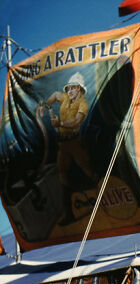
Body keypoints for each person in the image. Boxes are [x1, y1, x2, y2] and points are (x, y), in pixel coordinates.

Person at [41, 72, 98, 225]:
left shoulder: (83, 104)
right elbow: (54, 95)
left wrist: (60, 124)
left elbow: (76, 121)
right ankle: (69, 214)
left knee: (87, 169)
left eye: (73, 88)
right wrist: (45, 105)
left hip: (75, 143)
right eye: (69, 88)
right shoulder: (65, 98)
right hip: (63, 144)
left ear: (79, 89)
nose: (70, 91)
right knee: (62, 175)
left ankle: (102, 202)